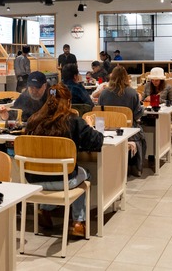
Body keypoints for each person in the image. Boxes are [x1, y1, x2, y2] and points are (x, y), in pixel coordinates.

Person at [24, 83, 105, 238]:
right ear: (68, 102)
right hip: (63, 180)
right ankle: (78, 222)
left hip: (34, 181)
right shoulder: (74, 121)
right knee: (85, 174)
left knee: (59, 176)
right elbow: (96, 142)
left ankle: (44, 210)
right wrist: (90, 126)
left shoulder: (33, 120)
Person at [98, 66, 146, 176]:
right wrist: (142, 107)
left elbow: (99, 112)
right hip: (127, 129)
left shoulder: (104, 93)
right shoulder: (132, 93)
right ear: (126, 77)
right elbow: (137, 115)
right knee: (142, 138)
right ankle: (136, 167)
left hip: (107, 128)